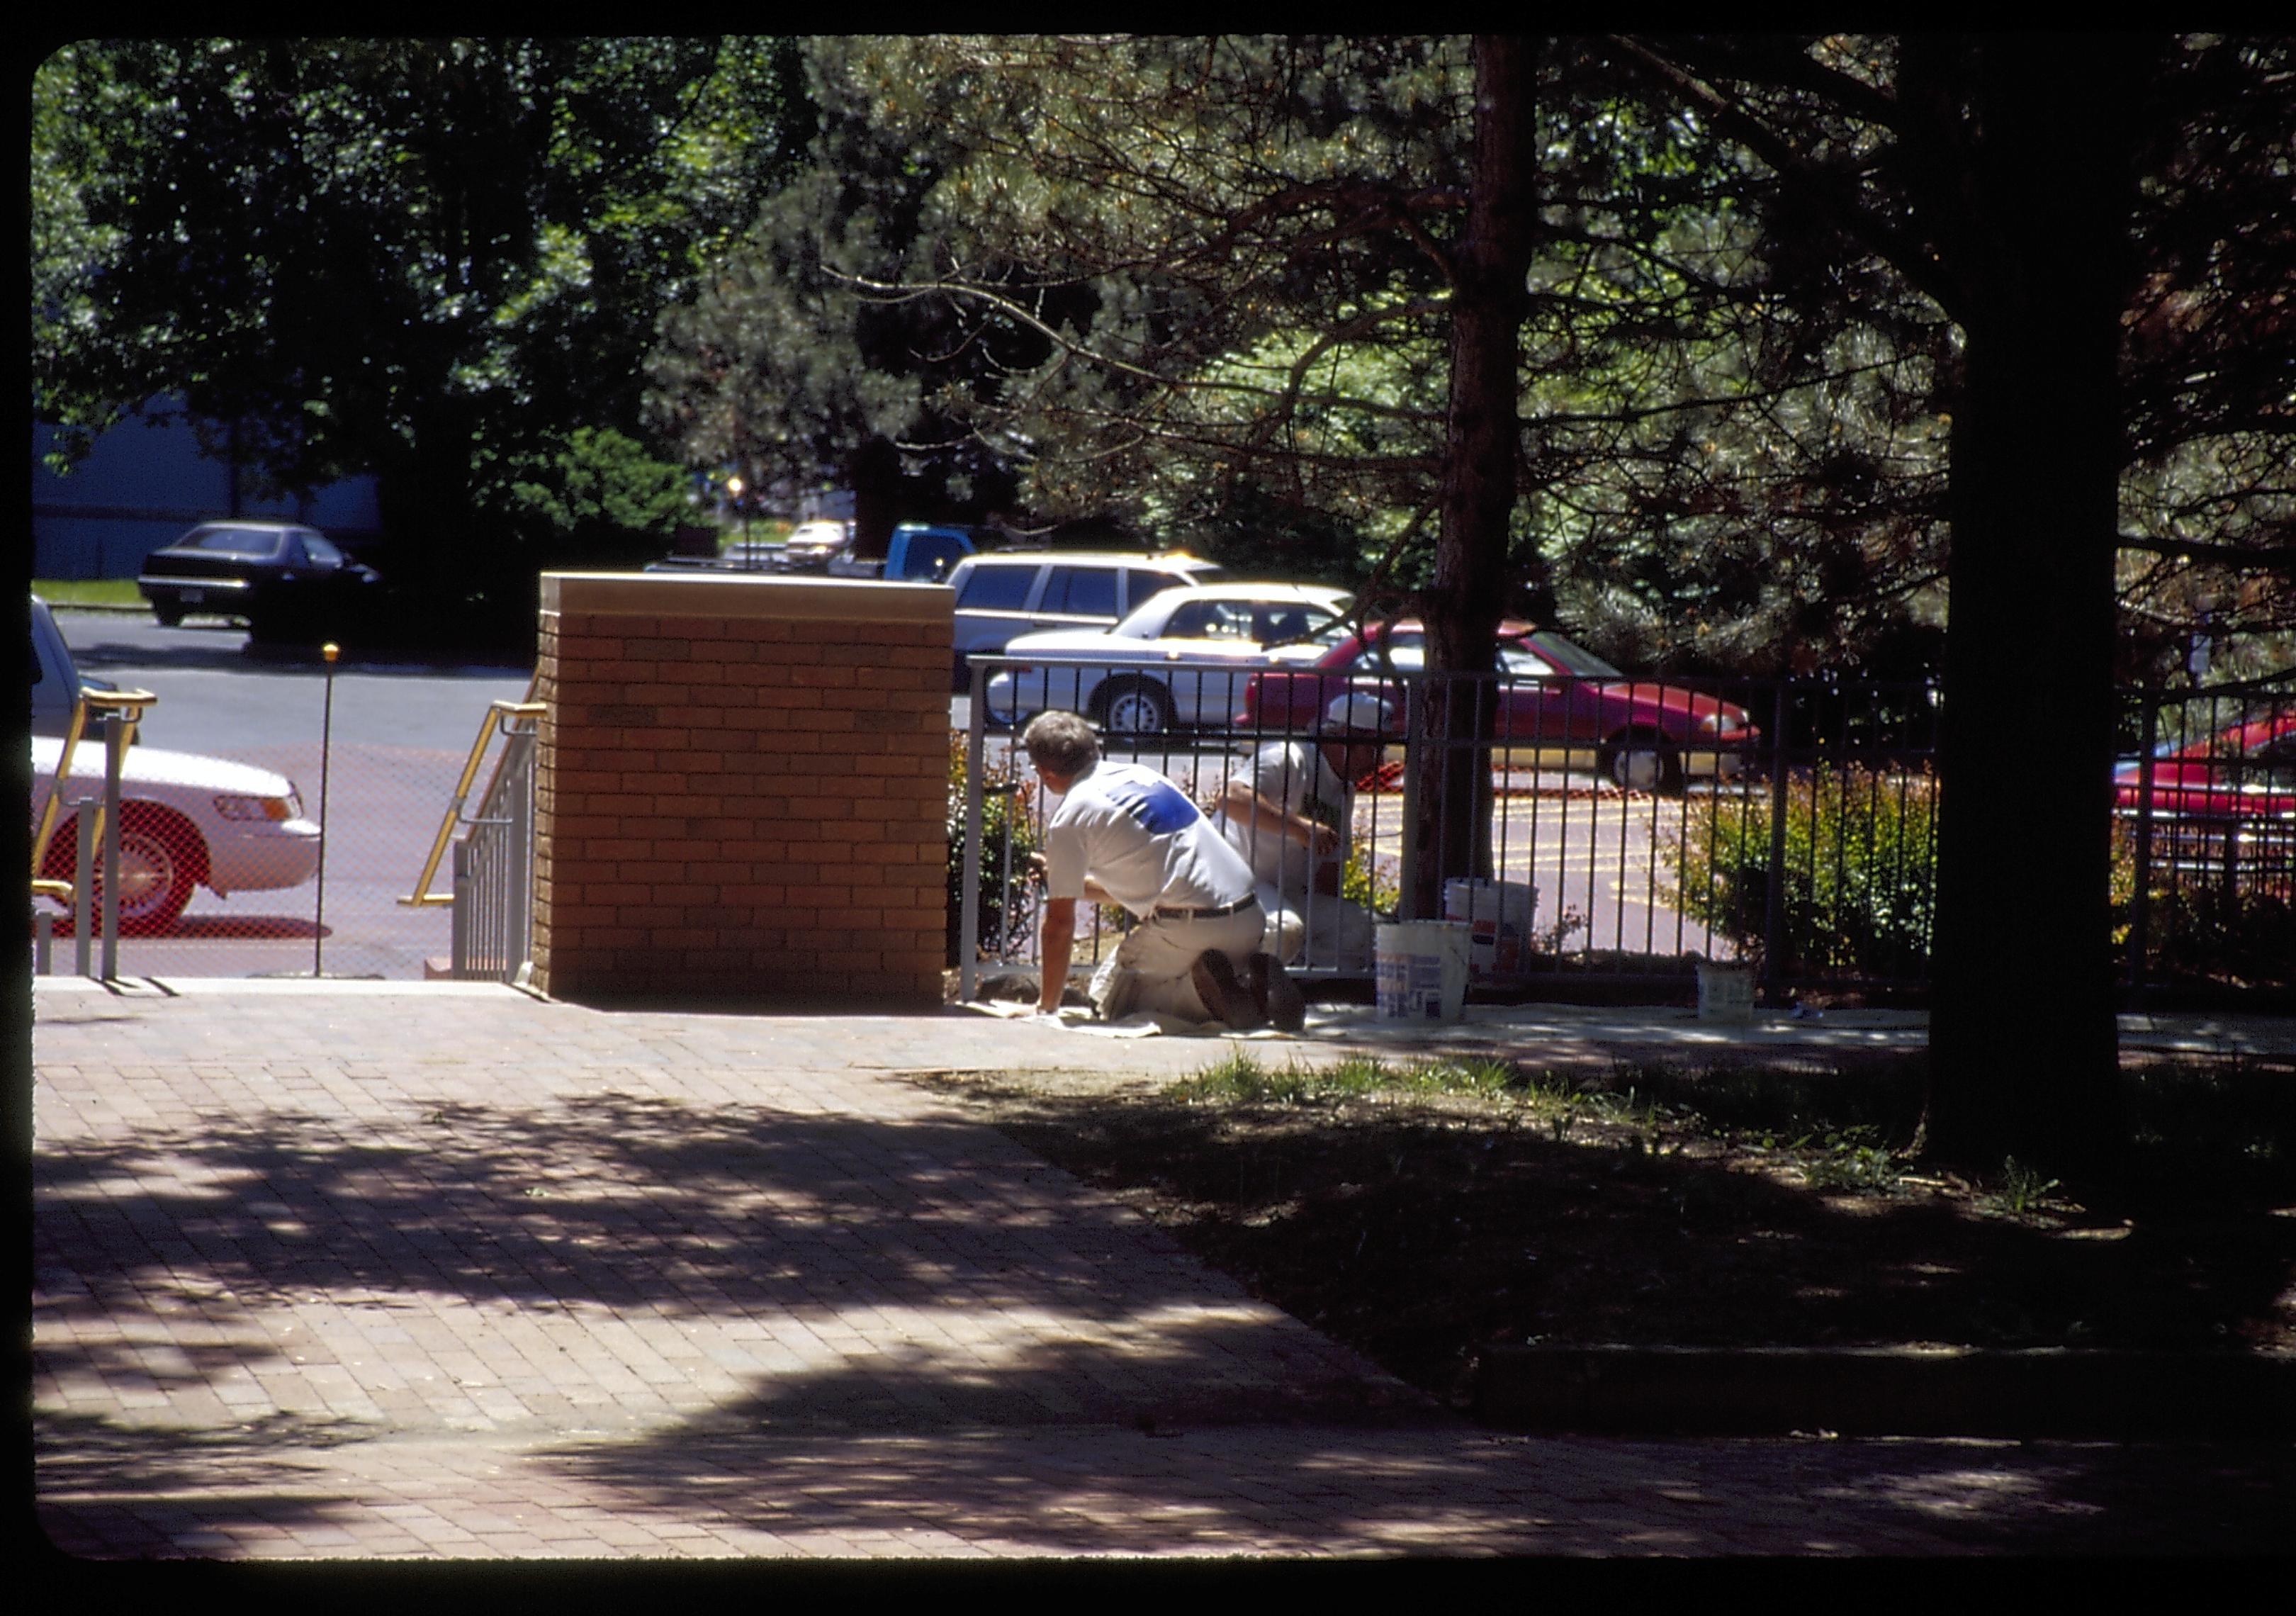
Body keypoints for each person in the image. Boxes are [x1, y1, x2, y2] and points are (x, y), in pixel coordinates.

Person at [1024, 711, 1305, 1032]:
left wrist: (1046, 1009)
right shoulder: (1142, 776)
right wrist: (1063, 877)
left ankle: (1214, 1001)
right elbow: (1153, 884)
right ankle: (1254, 981)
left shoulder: (1070, 818)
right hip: (1249, 915)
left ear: (1045, 772)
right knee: (1191, 953)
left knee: (1114, 999)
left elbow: (1058, 925)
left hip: (1191, 926)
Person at [1208, 691, 1391, 971]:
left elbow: (1329, 872)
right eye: (1373, 749)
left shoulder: (1344, 790)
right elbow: (1231, 799)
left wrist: (1331, 917)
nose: (1379, 763)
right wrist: (1299, 827)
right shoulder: (1288, 757)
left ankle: (1292, 978)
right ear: (1343, 738)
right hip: (1235, 884)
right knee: (1284, 929)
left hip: (1284, 894)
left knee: (1367, 929)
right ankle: (1243, 986)